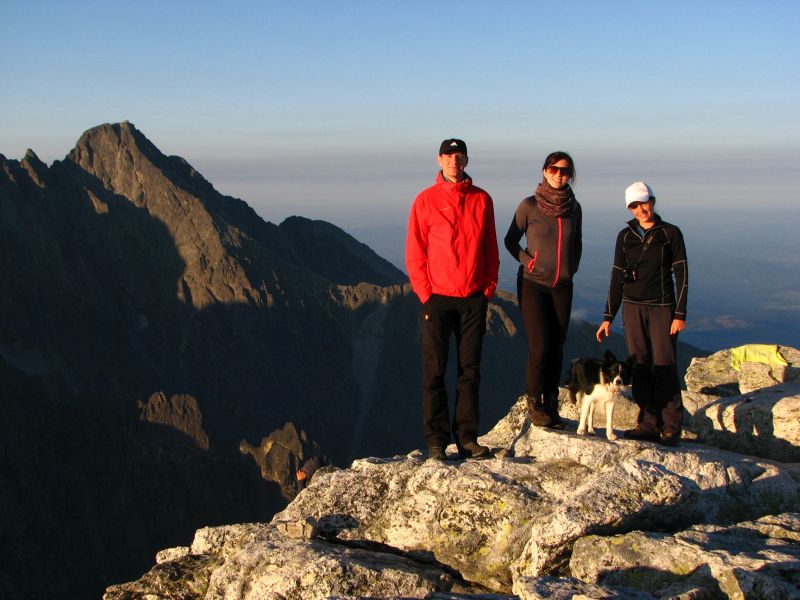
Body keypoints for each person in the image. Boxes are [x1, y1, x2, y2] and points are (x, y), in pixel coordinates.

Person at [406, 138, 500, 461]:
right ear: (439, 160)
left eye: (459, 156)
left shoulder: (482, 199)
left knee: (469, 371)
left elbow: (490, 247)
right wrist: (425, 293)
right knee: (434, 371)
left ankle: (467, 439)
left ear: (466, 161)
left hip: (473, 297)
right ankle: (436, 442)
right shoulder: (425, 200)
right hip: (437, 299)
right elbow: (415, 250)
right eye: (448, 156)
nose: (454, 161)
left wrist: (487, 289)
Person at [595, 181, 688, 446]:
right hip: (632, 307)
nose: (640, 209)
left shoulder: (670, 233)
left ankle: (671, 427)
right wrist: (608, 317)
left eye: (643, 203)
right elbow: (617, 277)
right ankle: (648, 424)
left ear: (653, 201)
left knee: (665, 365)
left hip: (662, 307)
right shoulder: (625, 237)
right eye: (634, 206)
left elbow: (682, 274)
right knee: (640, 366)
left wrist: (679, 314)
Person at [504, 151, 582, 429]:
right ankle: (535, 403)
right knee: (540, 346)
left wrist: (572, 266)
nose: (559, 174)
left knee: (557, 346)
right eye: (554, 169)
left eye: (565, 171)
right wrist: (529, 262)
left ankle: (551, 402)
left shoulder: (574, 208)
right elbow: (511, 240)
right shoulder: (530, 205)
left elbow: (577, 242)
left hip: (563, 286)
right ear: (545, 171)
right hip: (533, 284)